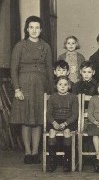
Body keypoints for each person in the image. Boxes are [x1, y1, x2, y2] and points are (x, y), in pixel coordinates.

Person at [10, 15, 54, 164]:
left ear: (41, 30)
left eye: (37, 27)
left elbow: (49, 69)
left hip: (41, 86)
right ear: (27, 29)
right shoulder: (20, 46)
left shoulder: (46, 46)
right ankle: (28, 153)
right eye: (31, 27)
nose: (34, 30)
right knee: (26, 120)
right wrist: (17, 89)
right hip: (24, 86)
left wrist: (52, 90)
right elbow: (13, 69)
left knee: (38, 120)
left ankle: (35, 153)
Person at [46, 76, 79, 172]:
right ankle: (52, 161)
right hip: (55, 120)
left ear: (69, 86)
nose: (63, 87)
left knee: (67, 132)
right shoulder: (52, 97)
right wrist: (54, 122)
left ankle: (67, 160)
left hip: (69, 121)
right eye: (60, 84)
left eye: (65, 84)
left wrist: (65, 123)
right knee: (52, 132)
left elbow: (75, 114)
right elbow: (48, 114)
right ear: (56, 86)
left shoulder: (73, 97)